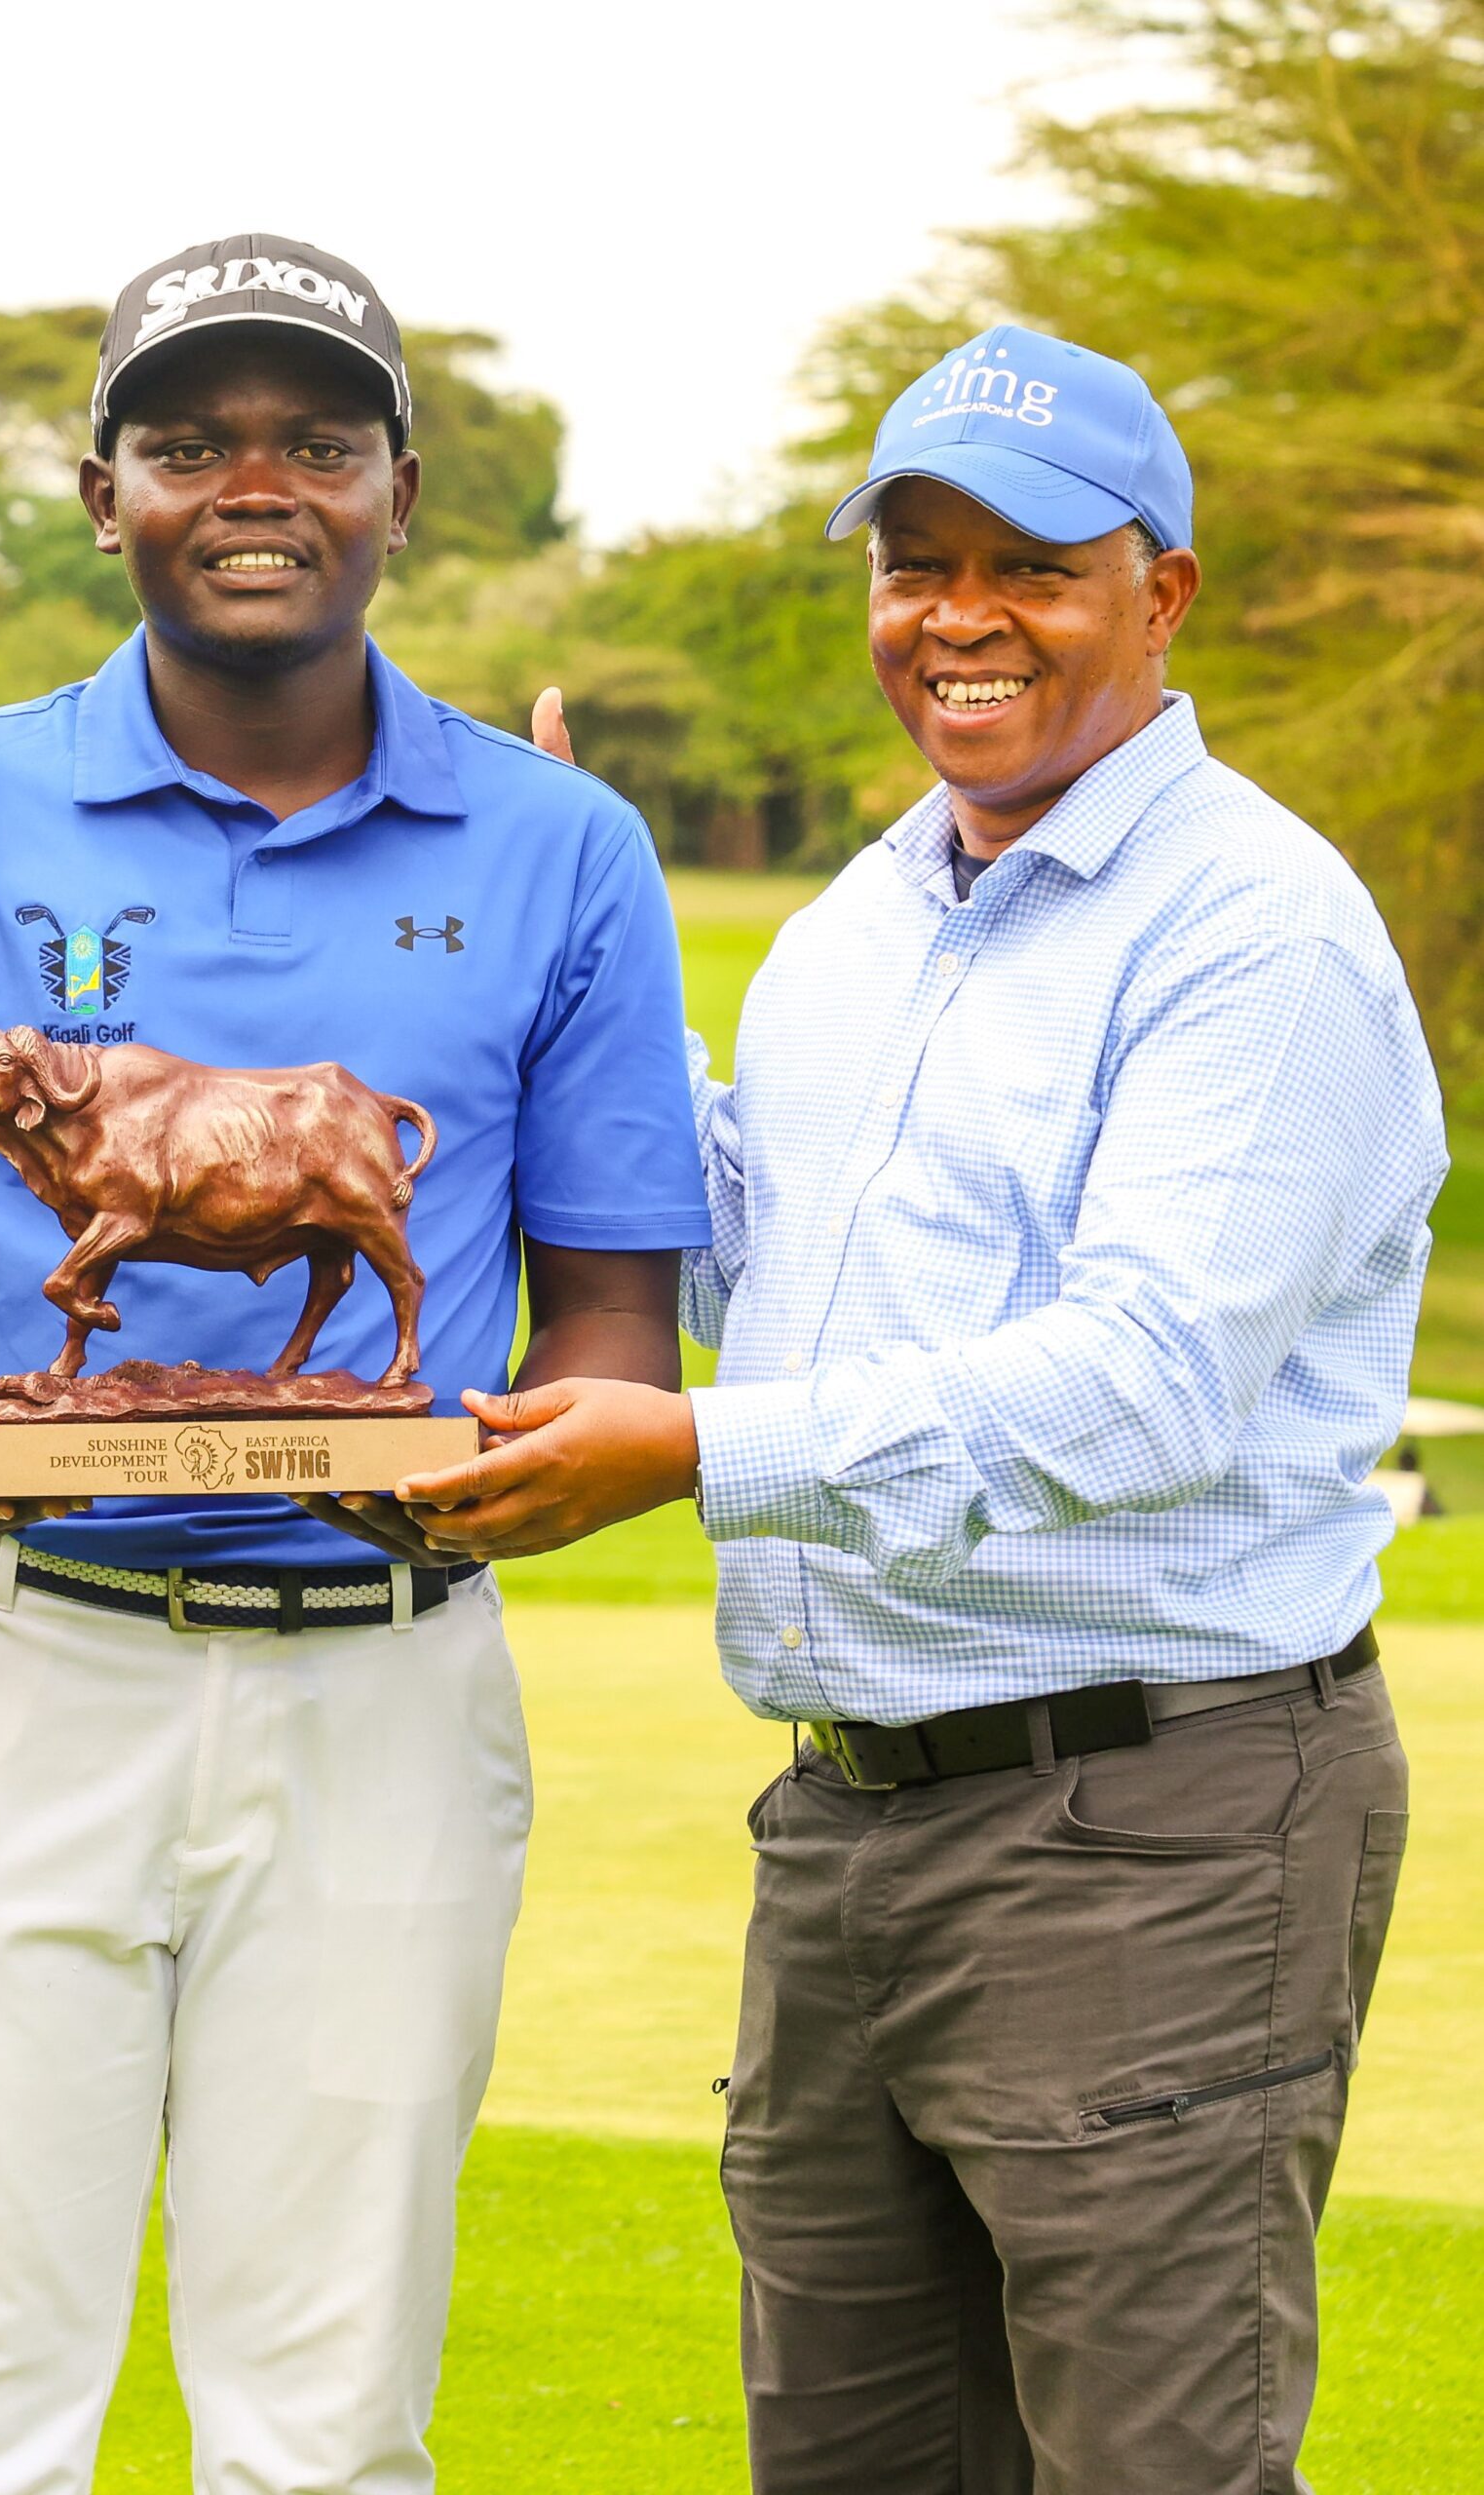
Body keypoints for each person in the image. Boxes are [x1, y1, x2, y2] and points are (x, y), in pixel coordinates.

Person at [402, 325, 1445, 2489]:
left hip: (1153, 1821)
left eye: (1031, 567)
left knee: (1152, 2465)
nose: (959, 617)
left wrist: (691, 1451)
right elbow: (746, 1262)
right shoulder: (862, 924)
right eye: (915, 564)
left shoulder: (1257, 931)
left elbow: (1143, 1383)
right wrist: (569, 957)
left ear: (1160, 593)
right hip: (852, 1827)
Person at [0, 235, 712, 2494]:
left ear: (399, 492)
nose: (254, 485)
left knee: (327, 2426)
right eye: (188, 443)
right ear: (104, 496)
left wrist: (530, 1458)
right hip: (9, 1660)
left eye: (317, 442)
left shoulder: (565, 846)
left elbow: (606, 1312)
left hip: (385, 1678)